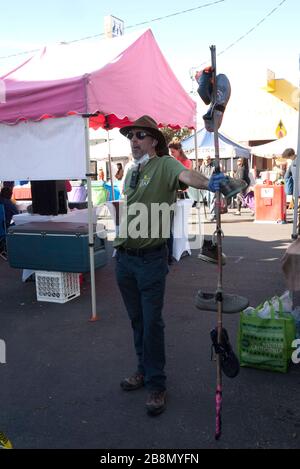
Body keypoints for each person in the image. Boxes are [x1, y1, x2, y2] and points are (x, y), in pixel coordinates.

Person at [114, 115, 244, 416]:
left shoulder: (165, 164)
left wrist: (210, 183)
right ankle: (142, 370)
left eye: (140, 135)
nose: (134, 140)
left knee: (151, 324)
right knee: (138, 323)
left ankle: (157, 385)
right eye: (131, 136)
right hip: (125, 259)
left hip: (149, 261)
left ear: (154, 141)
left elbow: (188, 176)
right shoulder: (132, 171)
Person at [199, 155, 216, 221]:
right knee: (208, 200)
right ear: (204, 160)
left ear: (210, 160)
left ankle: (213, 215)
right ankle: (213, 213)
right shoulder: (201, 167)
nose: (207, 161)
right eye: (206, 159)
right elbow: (200, 176)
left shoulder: (213, 167)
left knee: (212, 200)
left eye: (208, 159)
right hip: (205, 186)